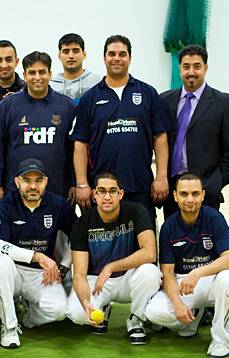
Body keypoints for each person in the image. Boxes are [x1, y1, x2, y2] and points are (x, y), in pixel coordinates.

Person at [71, 34, 169, 225]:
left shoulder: (147, 93)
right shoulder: (90, 98)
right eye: (111, 54)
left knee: (144, 247)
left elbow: (160, 137)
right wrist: (82, 183)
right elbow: (80, 144)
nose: (116, 58)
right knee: (102, 249)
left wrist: (161, 176)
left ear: (130, 58)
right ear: (104, 58)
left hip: (140, 186)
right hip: (102, 190)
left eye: (122, 54)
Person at [145, 173, 229, 358]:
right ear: (175, 196)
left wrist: (198, 273)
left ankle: (221, 339)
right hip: (184, 285)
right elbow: (168, 273)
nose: (190, 199)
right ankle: (196, 313)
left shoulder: (214, 218)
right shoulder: (168, 227)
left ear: (203, 195)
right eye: (184, 194)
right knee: (154, 313)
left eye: (195, 194)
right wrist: (177, 304)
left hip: (213, 280)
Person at [0, 158, 76, 349]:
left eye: (38, 180)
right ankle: (9, 328)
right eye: (27, 180)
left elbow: (78, 238)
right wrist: (36, 256)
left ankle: (29, 317)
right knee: (0, 265)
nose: (33, 186)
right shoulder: (5, 205)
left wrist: (63, 266)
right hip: (13, 271)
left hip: (42, 275)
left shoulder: (58, 205)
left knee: (59, 311)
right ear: (17, 182)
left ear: (46, 182)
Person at [66, 171, 161, 344]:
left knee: (150, 272)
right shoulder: (82, 223)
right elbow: (79, 274)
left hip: (128, 278)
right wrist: (86, 302)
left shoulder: (136, 211)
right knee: (77, 315)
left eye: (112, 191)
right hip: (98, 282)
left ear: (120, 194)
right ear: (94, 194)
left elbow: (150, 253)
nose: (107, 197)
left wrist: (111, 267)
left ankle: (136, 319)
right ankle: (102, 307)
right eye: (102, 191)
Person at [160, 45, 229, 217]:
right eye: (186, 66)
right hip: (172, 191)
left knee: (205, 242)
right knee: (173, 241)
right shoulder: (165, 101)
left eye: (197, 66)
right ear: (179, 68)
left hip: (205, 191)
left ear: (206, 68)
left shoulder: (223, 103)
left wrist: (215, 183)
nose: (191, 72)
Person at [0, 51, 75, 203]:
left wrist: (76, 183)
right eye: (32, 73)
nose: (37, 77)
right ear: (24, 75)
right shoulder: (7, 106)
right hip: (16, 191)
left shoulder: (66, 106)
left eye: (42, 72)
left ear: (50, 73)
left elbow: (74, 149)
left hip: (57, 189)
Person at [50, 33, 101, 104]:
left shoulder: (98, 82)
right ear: (59, 56)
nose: (71, 56)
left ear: (84, 55)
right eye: (66, 52)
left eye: (76, 51)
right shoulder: (51, 86)